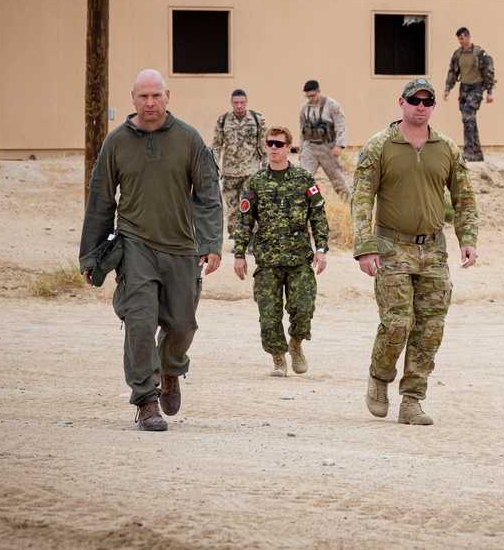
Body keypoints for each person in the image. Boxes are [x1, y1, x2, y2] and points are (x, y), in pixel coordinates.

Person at [79, 69, 223, 432]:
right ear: (133, 99)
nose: (150, 103)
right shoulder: (116, 143)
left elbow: (207, 197)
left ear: (167, 96)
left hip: (182, 247)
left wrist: (210, 244)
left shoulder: (189, 139)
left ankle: (171, 366)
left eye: (156, 95)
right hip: (136, 245)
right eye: (143, 96)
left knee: (182, 324)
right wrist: (90, 255)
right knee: (139, 324)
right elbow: (100, 201)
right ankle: (146, 400)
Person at [353, 77, 478, 426]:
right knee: (397, 323)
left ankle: (412, 401)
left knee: (430, 330)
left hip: (433, 250)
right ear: (402, 102)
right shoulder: (379, 147)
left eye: (427, 101)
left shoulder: (447, 149)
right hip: (391, 246)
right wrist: (365, 247)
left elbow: (464, 198)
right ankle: (379, 379)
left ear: (434, 106)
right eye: (414, 100)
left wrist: (468, 239)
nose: (420, 107)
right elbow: (361, 199)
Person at [233, 126, 330, 377]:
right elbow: (244, 220)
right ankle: (278, 359)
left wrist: (320, 249)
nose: (273, 148)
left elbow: (318, 216)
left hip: (299, 258)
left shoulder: (304, 179)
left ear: (289, 147)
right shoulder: (256, 182)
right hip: (267, 259)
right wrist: (240, 254)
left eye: (278, 144)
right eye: (269, 143)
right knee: (268, 312)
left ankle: (296, 343)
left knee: (304, 307)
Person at [211, 89, 266, 241]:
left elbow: (264, 146)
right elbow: (215, 145)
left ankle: (253, 236)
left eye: (242, 102)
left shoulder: (257, 119)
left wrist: (266, 168)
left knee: (250, 205)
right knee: (232, 209)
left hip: (251, 172)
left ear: (246, 102)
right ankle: (238, 238)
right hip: (230, 173)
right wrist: (215, 165)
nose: (239, 106)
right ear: (231, 103)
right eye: (236, 103)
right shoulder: (223, 121)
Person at [442, 27, 497, 162]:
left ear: (468, 37)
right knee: (470, 120)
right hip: (464, 89)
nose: (461, 41)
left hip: (476, 88)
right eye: (459, 39)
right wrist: (447, 89)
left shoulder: (479, 53)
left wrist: (489, 92)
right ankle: (477, 154)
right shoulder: (458, 54)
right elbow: (453, 72)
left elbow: (488, 72)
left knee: (467, 117)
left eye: (462, 38)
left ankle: (468, 152)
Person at [298, 80, 351, 200]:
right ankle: (311, 203)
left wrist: (339, 145)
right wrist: (301, 151)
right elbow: (302, 130)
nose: (310, 99)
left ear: (319, 91)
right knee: (304, 178)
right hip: (310, 148)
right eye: (307, 96)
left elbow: (341, 125)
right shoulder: (304, 109)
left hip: (328, 148)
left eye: (312, 95)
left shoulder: (332, 105)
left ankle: (350, 206)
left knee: (337, 180)